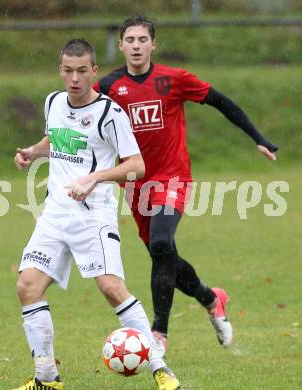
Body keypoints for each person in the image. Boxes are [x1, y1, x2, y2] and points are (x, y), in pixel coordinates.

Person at [94, 15, 278, 356]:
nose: (136, 45)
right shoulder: (106, 88)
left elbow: (221, 101)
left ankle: (159, 332)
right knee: (164, 256)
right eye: (130, 40)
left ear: (153, 44)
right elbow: (80, 124)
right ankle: (212, 298)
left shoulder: (174, 79)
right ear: (121, 45)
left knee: (162, 243)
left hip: (172, 177)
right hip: (135, 187)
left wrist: (258, 138)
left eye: (142, 40)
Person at [13, 39, 181, 390]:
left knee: (110, 287)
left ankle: (160, 368)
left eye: (81, 71)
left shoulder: (110, 113)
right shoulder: (53, 102)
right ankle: (46, 378)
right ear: (61, 70)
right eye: (68, 70)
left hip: (93, 215)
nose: (74, 78)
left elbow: (136, 165)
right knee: (28, 286)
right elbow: (57, 141)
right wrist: (32, 151)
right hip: (56, 213)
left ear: (94, 72)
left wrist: (94, 178)